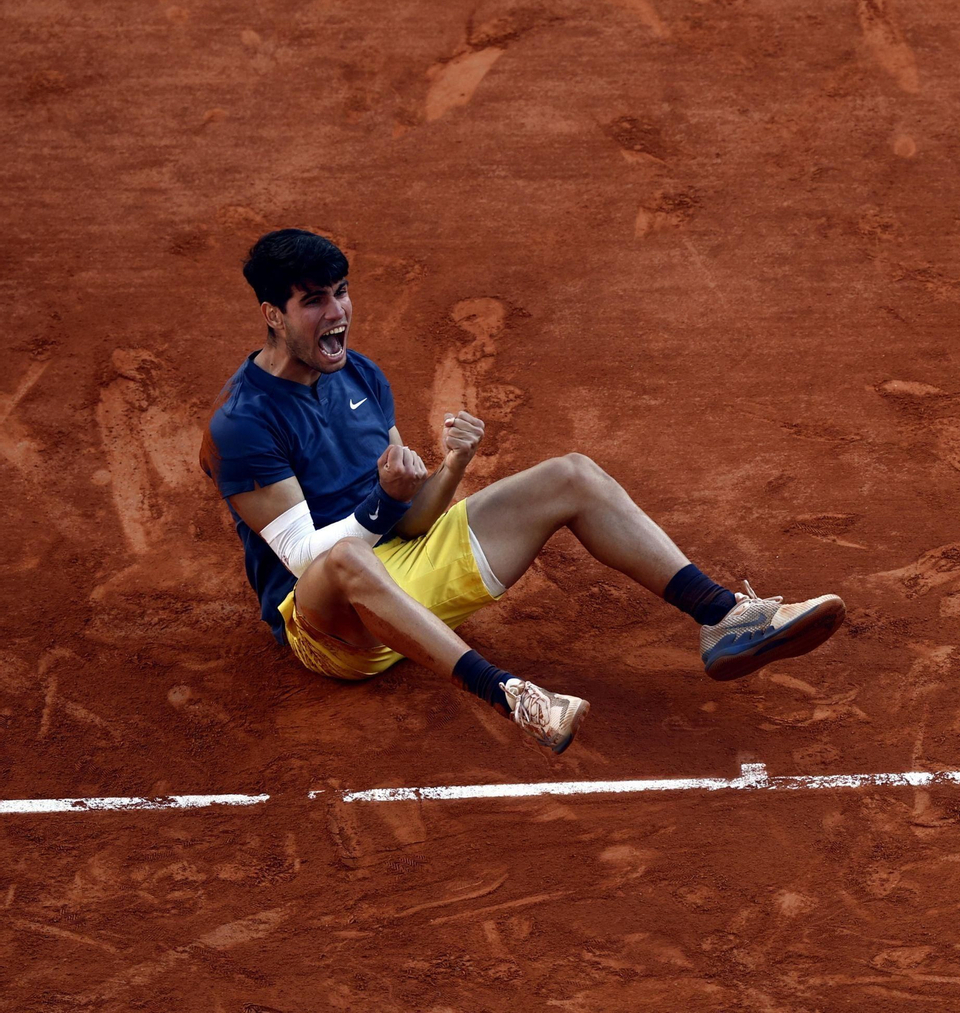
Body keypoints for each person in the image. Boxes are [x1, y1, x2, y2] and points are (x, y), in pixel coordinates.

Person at [199, 229, 845, 754]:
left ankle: (723, 617)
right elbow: (311, 561)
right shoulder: (242, 426)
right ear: (272, 316)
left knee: (572, 474)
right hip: (329, 629)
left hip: (397, 581)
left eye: (342, 293)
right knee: (346, 559)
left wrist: (450, 466)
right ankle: (513, 696)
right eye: (314, 301)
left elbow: (412, 524)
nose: (337, 314)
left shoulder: (359, 374)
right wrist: (380, 500)